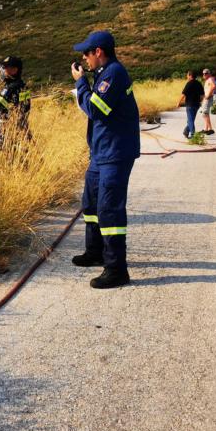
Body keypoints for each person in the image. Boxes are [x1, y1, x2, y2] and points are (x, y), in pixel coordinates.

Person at [69, 30, 139, 289]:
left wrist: (80, 84)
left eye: (86, 53)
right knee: (91, 205)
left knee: (109, 210)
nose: (84, 59)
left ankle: (116, 269)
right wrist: (86, 81)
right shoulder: (102, 74)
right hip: (101, 152)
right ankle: (95, 252)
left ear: (99, 52)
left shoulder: (114, 74)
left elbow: (96, 109)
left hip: (115, 153)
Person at [179, 70, 204, 138]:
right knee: (191, 119)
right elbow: (202, 95)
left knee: (190, 120)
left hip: (190, 104)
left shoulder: (189, 83)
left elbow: (183, 94)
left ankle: (193, 135)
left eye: (187, 75)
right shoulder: (199, 83)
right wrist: (200, 101)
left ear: (190, 75)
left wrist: (178, 102)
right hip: (196, 105)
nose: (187, 76)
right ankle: (186, 131)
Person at [199, 69, 216, 135]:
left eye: (206, 73)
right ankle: (206, 129)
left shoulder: (210, 79)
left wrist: (208, 95)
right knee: (206, 113)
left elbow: (214, 86)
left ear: (209, 73)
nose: (204, 75)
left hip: (208, 98)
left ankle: (210, 129)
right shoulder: (208, 80)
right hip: (207, 98)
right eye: (203, 73)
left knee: (204, 113)